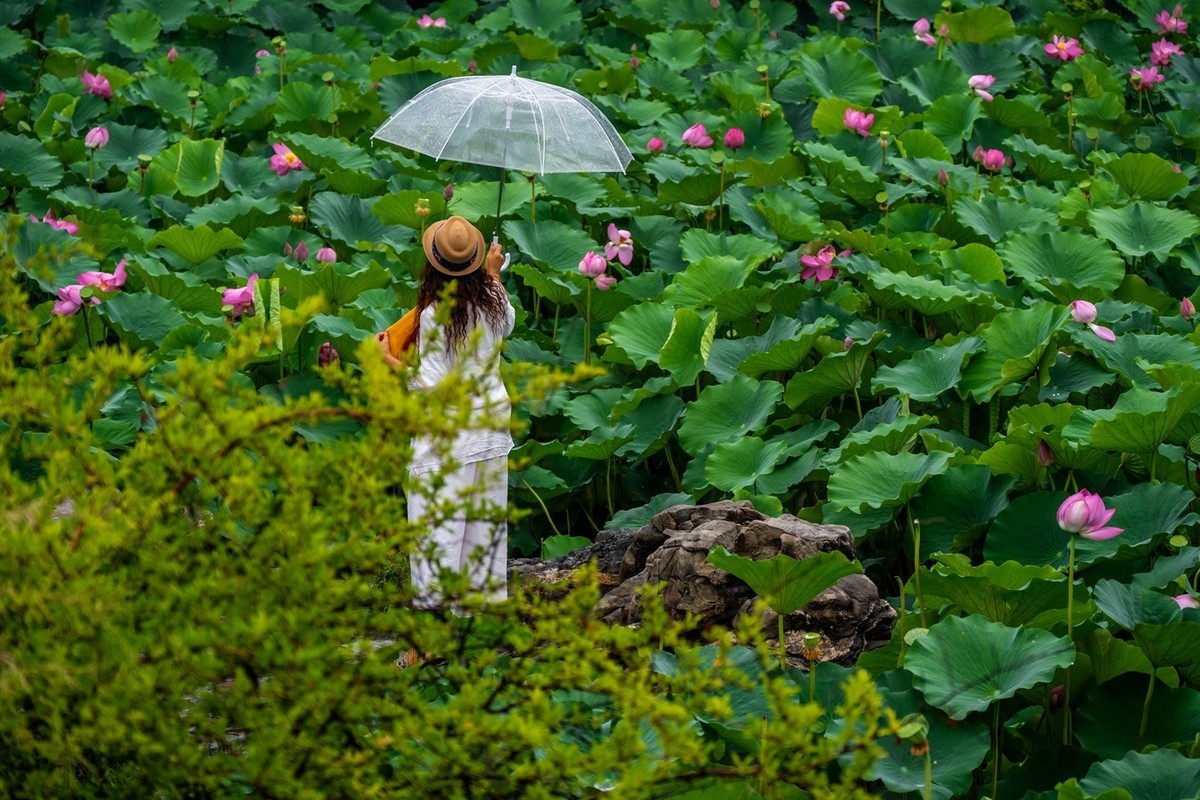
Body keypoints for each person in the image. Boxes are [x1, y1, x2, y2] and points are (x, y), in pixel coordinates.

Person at [376, 215, 513, 612]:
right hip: (490, 431)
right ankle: (478, 624)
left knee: (438, 531)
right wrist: (493, 275)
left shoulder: (436, 313)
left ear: (433, 265)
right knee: (481, 530)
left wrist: (388, 361)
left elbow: (433, 386)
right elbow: (506, 325)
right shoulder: (495, 300)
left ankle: (433, 631)